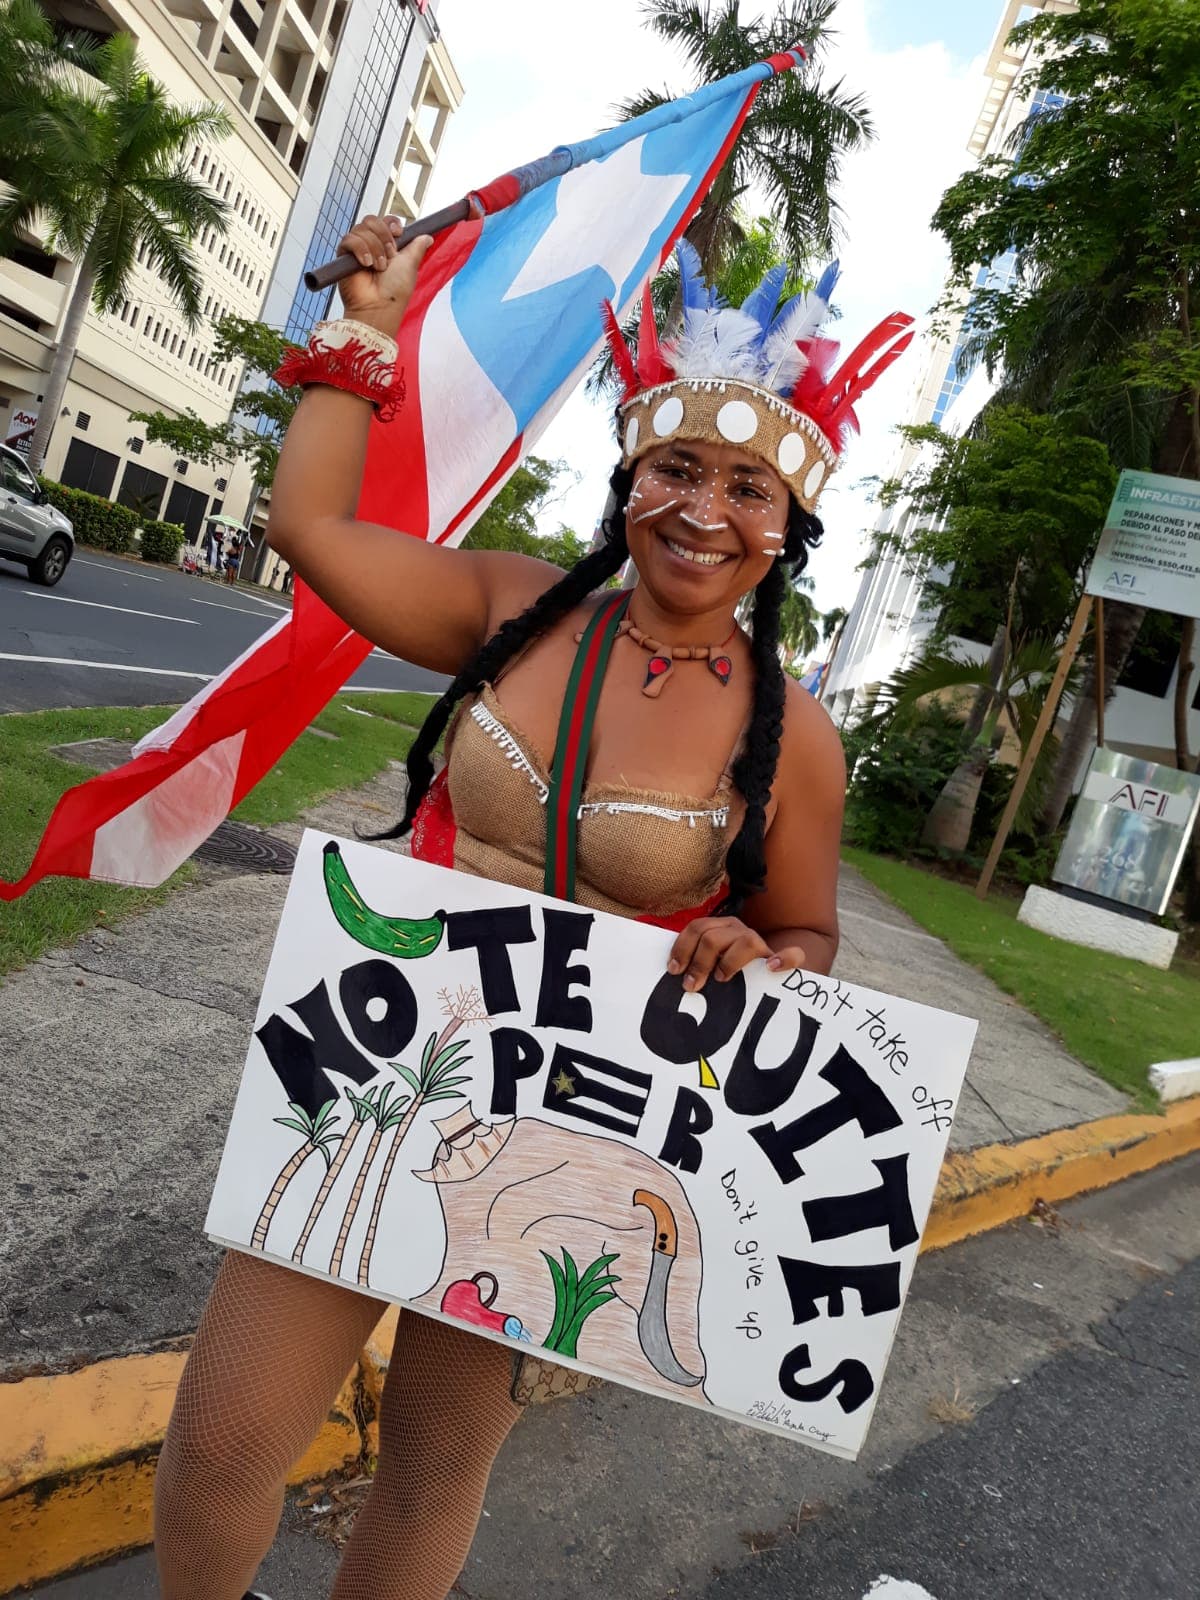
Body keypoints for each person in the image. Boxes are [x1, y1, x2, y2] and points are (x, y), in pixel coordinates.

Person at [153, 214, 908, 1600]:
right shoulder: (514, 612)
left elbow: (808, 933)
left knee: (433, 1475)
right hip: (383, 1079)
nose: (704, 508)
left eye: (750, 487)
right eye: (677, 466)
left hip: (576, 1139)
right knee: (224, 1438)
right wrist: (366, 331)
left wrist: (764, 946)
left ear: (791, 527)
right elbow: (310, 524)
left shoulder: (793, 736)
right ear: (629, 476)